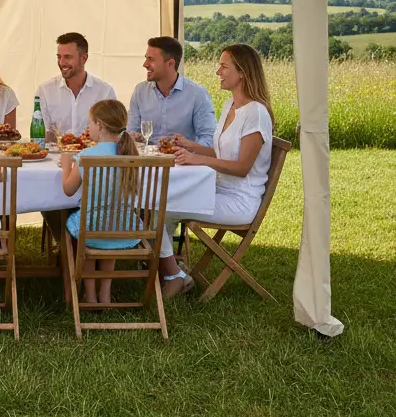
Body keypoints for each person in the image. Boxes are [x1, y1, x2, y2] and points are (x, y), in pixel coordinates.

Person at [159, 43, 274, 298]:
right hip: (218, 191)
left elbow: (243, 167)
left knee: (160, 207)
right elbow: (222, 153)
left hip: (239, 202)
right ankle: (170, 272)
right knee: (158, 203)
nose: (218, 72)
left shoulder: (256, 113)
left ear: (242, 72)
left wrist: (197, 159)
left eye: (223, 66)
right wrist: (191, 147)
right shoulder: (230, 106)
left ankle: (174, 276)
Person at [58, 99, 141, 305]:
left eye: (91, 122)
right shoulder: (129, 153)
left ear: (101, 125)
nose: (88, 127)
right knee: (108, 230)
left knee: (89, 233)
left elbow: (68, 190)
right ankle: (105, 294)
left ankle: (90, 295)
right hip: (123, 226)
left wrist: (66, 165)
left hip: (91, 226)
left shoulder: (87, 155)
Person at [127, 36, 216, 147]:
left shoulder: (197, 94)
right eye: (146, 58)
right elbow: (130, 133)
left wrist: (185, 147)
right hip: (148, 161)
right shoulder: (140, 91)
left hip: (184, 162)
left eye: (151, 59)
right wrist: (134, 137)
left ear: (170, 63)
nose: (145, 64)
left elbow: (209, 139)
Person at [37, 33, 116, 141]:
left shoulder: (105, 92)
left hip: (92, 156)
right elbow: (40, 134)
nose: (61, 62)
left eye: (68, 57)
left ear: (84, 58)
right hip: (56, 156)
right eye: (59, 57)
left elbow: (111, 135)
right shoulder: (45, 90)